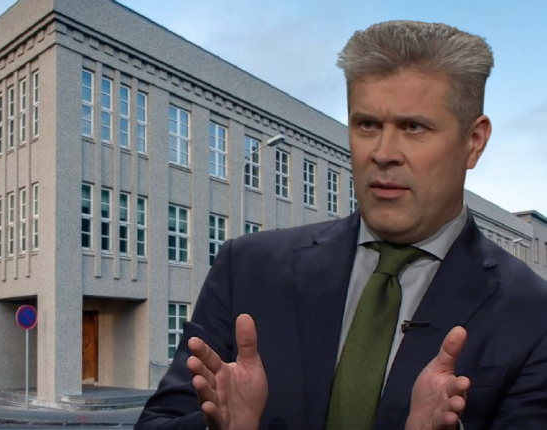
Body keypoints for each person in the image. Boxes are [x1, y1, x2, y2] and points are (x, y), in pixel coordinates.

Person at [135, 20, 547, 430]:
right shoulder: (246, 267)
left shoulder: (532, 313)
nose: (383, 153)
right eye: (367, 125)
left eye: (413, 127)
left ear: (474, 141)